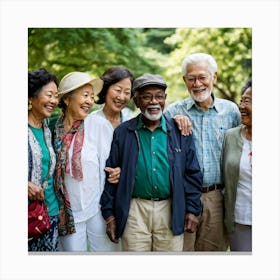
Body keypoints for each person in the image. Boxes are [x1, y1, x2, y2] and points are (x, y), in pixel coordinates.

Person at [100, 73, 203, 252]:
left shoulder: (180, 132)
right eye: (147, 97)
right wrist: (109, 215)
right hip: (134, 211)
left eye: (159, 96)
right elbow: (111, 174)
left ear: (165, 99)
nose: (154, 102)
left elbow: (192, 173)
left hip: (170, 209)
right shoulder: (124, 132)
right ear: (137, 101)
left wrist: (193, 210)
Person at [164, 53, 241, 251]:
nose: (197, 84)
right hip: (183, 196)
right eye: (191, 79)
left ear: (214, 77)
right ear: (184, 81)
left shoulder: (231, 111)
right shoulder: (173, 113)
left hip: (217, 197)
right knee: (182, 253)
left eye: (202, 77)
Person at [53, 71, 120, 252]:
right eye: (85, 95)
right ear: (67, 100)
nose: (90, 101)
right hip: (67, 212)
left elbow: (110, 166)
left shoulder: (98, 125)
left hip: (97, 207)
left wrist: (109, 209)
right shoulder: (52, 129)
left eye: (92, 96)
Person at [28, 68, 60, 251]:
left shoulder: (48, 127)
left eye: (56, 96)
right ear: (31, 97)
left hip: (50, 214)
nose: (54, 101)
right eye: (49, 95)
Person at [222, 79, 252, 251]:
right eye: (241, 100)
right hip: (239, 219)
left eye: (247, 101)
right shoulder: (231, 136)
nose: (241, 106)